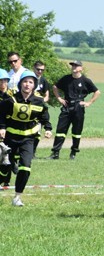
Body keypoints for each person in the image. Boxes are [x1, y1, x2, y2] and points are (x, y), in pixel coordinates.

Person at [0, 70, 53, 207]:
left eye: (30, 82)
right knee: (5, 166)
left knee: (26, 167)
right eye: (25, 82)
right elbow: (1, 114)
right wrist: (2, 127)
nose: (27, 85)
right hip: (10, 137)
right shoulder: (10, 100)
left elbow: (44, 116)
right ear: (20, 84)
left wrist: (48, 129)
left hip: (28, 138)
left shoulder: (39, 101)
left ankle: (17, 197)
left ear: (34, 85)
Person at [50, 60, 100, 160]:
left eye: (76, 66)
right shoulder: (66, 79)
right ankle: (55, 153)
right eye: (72, 66)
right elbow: (55, 87)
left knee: (76, 131)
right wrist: (59, 98)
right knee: (60, 130)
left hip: (79, 107)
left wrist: (89, 102)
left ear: (81, 68)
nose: (74, 67)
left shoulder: (86, 81)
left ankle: (73, 152)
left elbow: (97, 92)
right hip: (67, 105)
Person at [0, 69, 15, 186]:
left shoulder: (12, 95)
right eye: (0, 80)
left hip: (9, 128)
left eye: (5, 80)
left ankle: (7, 181)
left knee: (9, 154)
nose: (2, 83)